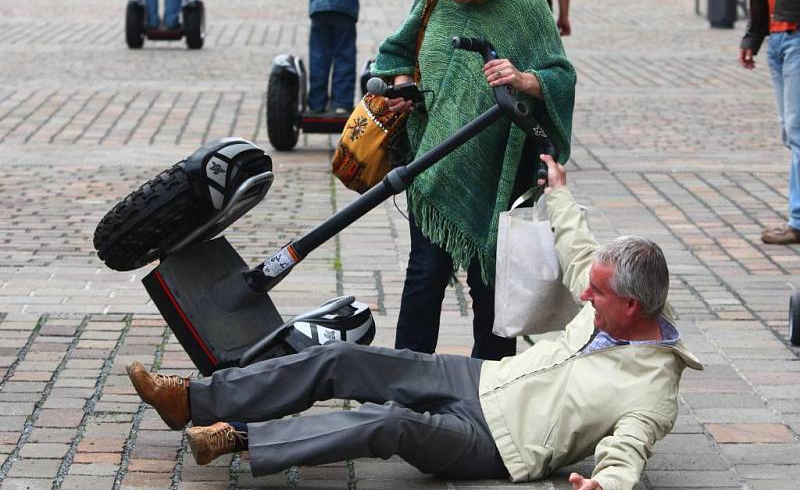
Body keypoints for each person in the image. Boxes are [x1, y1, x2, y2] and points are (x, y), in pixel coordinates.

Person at [125, 153, 703, 490]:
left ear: (633, 306)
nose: (584, 294)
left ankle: (240, 438)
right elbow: (580, 250)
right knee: (344, 358)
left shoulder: (653, 391)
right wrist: (559, 195)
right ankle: (193, 400)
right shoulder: (614, 296)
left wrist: (605, 485)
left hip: (498, 445)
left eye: (597, 295)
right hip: (481, 380)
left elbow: (629, 447)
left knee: (390, 424)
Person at [372, 0, 575, 360]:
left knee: (490, 284)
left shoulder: (525, 4)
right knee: (424, 275)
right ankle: (407, 379)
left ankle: (493, 386)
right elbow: (397, 51)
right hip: (433, 162)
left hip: (494, 172)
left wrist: (524, 78)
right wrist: (404, 87)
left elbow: (561, 76)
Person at [740, 0, 800, 244]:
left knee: (797, 129)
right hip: (777, 38)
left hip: (797, 34)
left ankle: (797, 219)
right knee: (788, 129)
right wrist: (753, 37)